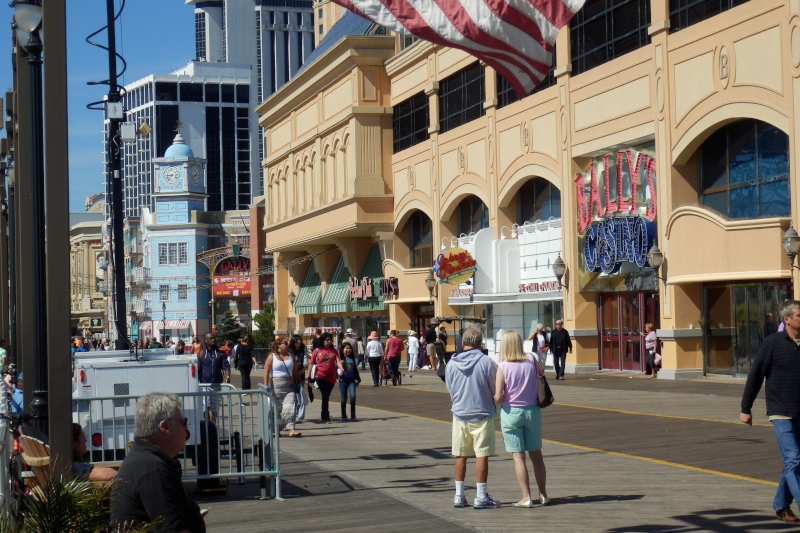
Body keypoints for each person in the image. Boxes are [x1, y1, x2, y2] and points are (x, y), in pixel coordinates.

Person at [110, 392, 205, 533]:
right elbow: (172, 530)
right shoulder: (152, 470)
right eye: (183, 422)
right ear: (165, 427)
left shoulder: (144, 459)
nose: (186, 427)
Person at [741, 300, 800, 523]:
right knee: (794, 460)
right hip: (780, 411)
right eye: (799, 315)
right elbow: (755, 376)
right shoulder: (772, 343)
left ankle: (781, 505)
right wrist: (745, 408)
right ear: (787, 320)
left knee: (794, 462)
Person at [445, 328, 500, 509]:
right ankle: (481, 496)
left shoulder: (451, 364)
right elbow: (494, 388)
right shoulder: (486, 362)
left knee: (460, 455)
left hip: (460, 414)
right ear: (479, 343)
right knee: (481, 454)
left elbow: (450, 389)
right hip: (482, 413)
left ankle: (459, 495)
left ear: (462, 344)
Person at [493, 330, 547, 507]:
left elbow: (499, 396)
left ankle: (526, 497)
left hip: (511, 412)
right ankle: (543, 494)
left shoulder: (503, 365)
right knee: (537, 456)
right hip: (532, 411)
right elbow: (541, 377)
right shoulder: (532, 359)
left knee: (518, 457)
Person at [263, 338, 301, 437]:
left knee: (290, 406)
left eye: (288, 344)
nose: (288, 345)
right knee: (276, 409)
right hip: (275, 387)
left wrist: (297, 382)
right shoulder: (272, 356)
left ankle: (291, 429)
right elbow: (266, 372)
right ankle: (276, 430)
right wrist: (266, 387)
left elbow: (295, 370)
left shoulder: (291, 356)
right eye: (285, 343)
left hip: (289, 386)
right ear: (279, 345)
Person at [308, 333, 339, 423]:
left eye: (330, 340)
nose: (329, 342)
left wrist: (341, 368)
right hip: (320, 376)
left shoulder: (334, 350)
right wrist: (307, 377)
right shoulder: (317, 351)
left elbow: (338, 361)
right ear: (322, 341)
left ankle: (324, 413)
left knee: (326, 396)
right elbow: (311, 364)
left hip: (331, 377)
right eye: (327, 340)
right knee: (325, 395)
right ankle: (326, 415)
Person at [199, 332, 230, 422]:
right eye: (210, 338)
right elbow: (198, 370)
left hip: (217, 385)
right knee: (206, 408)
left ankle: (212, 427)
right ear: (205, 341)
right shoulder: (201, 355)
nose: (213, 340)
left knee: (215, 410)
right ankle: (208, 427)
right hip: (205, 385)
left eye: (214, 338)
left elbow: (226, 366)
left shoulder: (220, 354)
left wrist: (227, 376)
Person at [337, 343, 361, 421]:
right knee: (343, 398)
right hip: (342, 380)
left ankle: (353, 414)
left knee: (352, 396)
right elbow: (335, 367)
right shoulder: (339, 358)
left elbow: (355, 369)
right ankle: (343, 415)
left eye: (349, 348)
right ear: (342, 349)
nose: (348, 350)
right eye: (346, 348)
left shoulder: (352, 358)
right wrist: (340, 364)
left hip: (351, 380)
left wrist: (358, 379)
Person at [289, 335, 309, 420]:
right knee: (293, 396)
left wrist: (301, 371)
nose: (298, 342)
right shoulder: (289, 350)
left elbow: (306, 363)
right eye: (296, 340)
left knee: (300, 395)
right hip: (291, 376)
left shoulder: (303, 350)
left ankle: (299, 416)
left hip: (301, 376)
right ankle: (294, 414)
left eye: (300, 340)